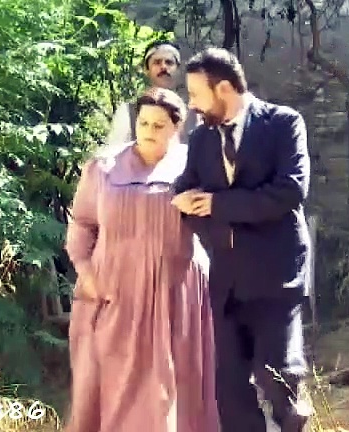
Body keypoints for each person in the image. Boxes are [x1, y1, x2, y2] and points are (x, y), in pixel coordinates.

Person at [171, 47, 313, 432]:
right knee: (230, 391)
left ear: (224, 89)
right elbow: (186, 189)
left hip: (276, 274)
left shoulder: (284, 123)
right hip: (226, 279)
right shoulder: (201, 139)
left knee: (277, 374)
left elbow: (290, 191)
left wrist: (218, 205)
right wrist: (184, 201)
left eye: (196, 94)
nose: (191, 104)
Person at [64, 87, 218, 432]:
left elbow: (219, 222)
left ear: (176, 127)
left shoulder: (195, 168)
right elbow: (82, 224)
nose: (149, 131)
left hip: (175, 292)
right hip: (113, 293)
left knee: (168, 391)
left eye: (159, 125)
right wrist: (87, 273)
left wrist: (202, 205)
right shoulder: (104, 168)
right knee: (113, 384)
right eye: (144, 123)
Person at [105, 40, 198, 149]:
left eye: (169, 62)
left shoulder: (195, 114)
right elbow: (114, 154)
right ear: (146, 69)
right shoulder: (129, 112)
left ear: (178, 69)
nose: (163, 67)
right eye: (157, 62)